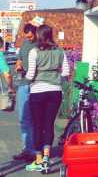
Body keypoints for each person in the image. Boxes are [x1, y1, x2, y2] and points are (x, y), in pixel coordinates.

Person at [25, 24, 69, 173]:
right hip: (55, 91)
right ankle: (46, 159)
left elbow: (31, 75)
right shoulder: (60, 51)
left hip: (38, 91)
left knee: (37, 125)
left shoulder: (34, 51)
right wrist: (55, 77)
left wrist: (25, 76)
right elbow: (66, 72)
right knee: (48, 124)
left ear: (39, 35)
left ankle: (38, 160)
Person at [12, 23, 38, 162]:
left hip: (36, 85)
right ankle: (26, 149)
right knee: (23, 118)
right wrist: (18, 65)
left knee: (35, 118)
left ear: (36, 32)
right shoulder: (25, 44)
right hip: (23, 84)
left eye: (31, 36)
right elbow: (19, 59)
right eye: (26, 37)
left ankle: (35, 151)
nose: (29, 38)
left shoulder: (41, 45)